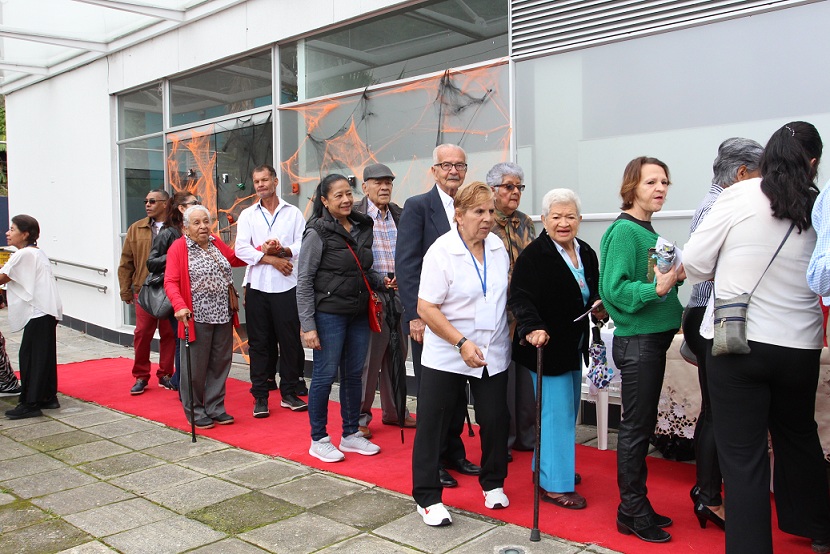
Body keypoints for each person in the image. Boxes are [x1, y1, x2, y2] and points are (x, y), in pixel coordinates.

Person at [686, 121, 830, 554]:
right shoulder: (818, 204)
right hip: (801, 344)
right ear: (813, 163)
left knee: (743, 457)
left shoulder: (739, 194)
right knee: (798, 436)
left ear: (765, 158)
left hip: (739, 342)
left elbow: (696, 262)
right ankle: (818, 527)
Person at [412, 180, 511, 526]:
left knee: (495, 420)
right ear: (459, 214)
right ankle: (427, 498)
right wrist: (460, 342)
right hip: (448, 351)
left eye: (491, 211)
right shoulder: (441, 251)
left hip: (491, 350)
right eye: (478, 212)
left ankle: (493, 482)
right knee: (434, 423)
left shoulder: (497, 246)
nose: (487, 218)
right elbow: (426, 307)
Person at [599, 156, 684, 543]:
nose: (660, 188)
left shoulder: (647, 231)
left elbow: (652, 279)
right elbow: (614, 290)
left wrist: (673, 277)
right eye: (651, 182)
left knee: (641, 426)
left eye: (664, 182)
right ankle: (631, 510)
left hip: (651, 341)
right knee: (635, 429)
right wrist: (658, 287)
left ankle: (638, 505)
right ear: (631, 187)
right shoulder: (624, 231)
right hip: (639, 343)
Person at [682, 137, 763, 531]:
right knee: (717, 411)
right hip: (710, 315)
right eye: (761, 175)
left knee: (715, 409)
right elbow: (701, 263)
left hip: (709, 313)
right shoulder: (720, 204)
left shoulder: (718, 201)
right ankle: (708, 495)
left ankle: (708, 491)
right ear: (742, 173)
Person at [509, 188, 602, 510]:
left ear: (580, 219)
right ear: (544, 220)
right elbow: (520, 298)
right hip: (545, 347)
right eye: (557, 217)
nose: (564, 223)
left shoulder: (585, 251)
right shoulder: (534, 256)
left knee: (564, 411)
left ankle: (546, 467)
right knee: (555, 414)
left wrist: (599, 306)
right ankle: (555, 485)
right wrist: (532, 326)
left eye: (570, 216)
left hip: (573, 344)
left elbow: (592, 291)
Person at [396, 143, 480, 489]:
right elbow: (407, 264)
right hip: (428, 318)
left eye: (459, 165)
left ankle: (453, 452)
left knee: (458, 391)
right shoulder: (418, 206)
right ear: (434, 170)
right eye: (446, 165)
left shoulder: (469, 207)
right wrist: (415, 316)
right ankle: (433, 463)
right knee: (433, 395)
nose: (453, 171)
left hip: (462, 319)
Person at [297, 174, 390, 462]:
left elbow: (361, 269)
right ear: (325, 201)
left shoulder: (362, 226)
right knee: (324, 376)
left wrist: (382, 281)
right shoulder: (316, 232)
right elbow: (304, 281)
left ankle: (350, 434)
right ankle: (318, 439)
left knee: (353, 375)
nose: (346, 199)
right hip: (329, 315)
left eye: (348, 193)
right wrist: (308, 325)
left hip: (358, 313)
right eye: (338, 195)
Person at [235, 164, 308, 418]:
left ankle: (289, 392)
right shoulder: (248, 215)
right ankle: (260, 396)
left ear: (275, 181)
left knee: (289, 342)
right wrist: (269, 257)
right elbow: (240, 249)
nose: (260, 185)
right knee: (258, 344)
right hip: (257, 288)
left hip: (287, 287)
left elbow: (303, 244)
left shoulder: (293, 213)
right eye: (256, 181)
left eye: (264, 180)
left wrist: (283, 251)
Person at [164, 205, 246, 429]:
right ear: (185, 228)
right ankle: (195, 409)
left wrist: (260, 251)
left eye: (206, 221)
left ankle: (215, 407)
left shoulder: (215, 242)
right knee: (195, 367)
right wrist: (179, 306)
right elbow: (170, 281)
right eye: (197, 223)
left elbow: (234, 259)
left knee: (220, 363)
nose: (203, 226)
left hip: (223, 314)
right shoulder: (179, 248)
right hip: (196, 316)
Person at [353, 163, 415, 438]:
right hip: (371, 294)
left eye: (388, 182)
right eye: (378, 182)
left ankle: (396, 411)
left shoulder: (400, 214)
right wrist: (377, 281)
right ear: (365, 186)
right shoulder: (355, 215)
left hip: (399, 292)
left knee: (398, 355)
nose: (384, 187)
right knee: (370, 359)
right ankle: (360, 416)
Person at [486, 161, 537, 459]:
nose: (515, 192)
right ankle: (502, 440)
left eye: (519, 187)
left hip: (523, 309)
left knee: (526, 378)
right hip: (497, 312)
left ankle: (526, 436)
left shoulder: (525, 222)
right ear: (493, 190)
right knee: (501, 379)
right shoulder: (485, 222)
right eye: (509, 186)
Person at [0, 215, 63, 419]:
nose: (8, 233)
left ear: (25, 234)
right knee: (43, 356)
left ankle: (30, 403)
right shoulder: (36, 253)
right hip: (46, 311)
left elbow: (3, 276)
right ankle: (47, 397)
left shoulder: (24, 254)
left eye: (12, 229)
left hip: (39, 312)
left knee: (31, 358)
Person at [118, 188, 176, 395]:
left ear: (165, 204)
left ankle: (166, 374)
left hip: (170, 289)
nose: (147, 205)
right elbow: (126, 261)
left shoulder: (175, 228)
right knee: (142, 334)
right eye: (146, 201)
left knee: (169, 334)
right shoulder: (136, 228)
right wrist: (125, 290)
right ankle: (141, 376)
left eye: (152, 201)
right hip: (144, 289)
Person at [147, 190, 201, 391]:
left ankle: (184, 379)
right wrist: (175, 254)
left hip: (193, 292)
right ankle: (180, 381)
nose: (199, 205)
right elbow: (151, 262)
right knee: (181, 338)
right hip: (175, 294)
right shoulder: (169, 233)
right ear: (182, 208)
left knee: (189, 338)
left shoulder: (194, 229)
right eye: (194, 202)